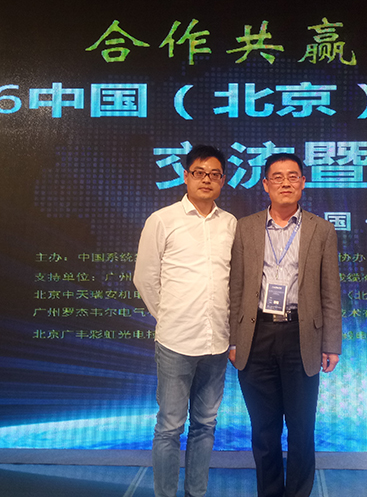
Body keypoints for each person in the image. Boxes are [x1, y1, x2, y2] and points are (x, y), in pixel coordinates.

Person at [228, 153, 342, 497]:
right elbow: (235, 288)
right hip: (256, 334)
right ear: (265, 184)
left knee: (301, 428)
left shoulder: (321, 229)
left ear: (303, 182)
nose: (286, 183)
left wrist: (331, 343)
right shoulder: (245, 227)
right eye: (277, 177)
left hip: (301, 335)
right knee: (264, 429)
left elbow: (330, 290)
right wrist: (233, 339)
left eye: (293, 176)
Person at [133, 145, 237, 497]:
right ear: (185, 176)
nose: (207, 179)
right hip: (176, 341)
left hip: (216, 342)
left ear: (223, 180)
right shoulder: (162, 220)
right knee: (169, 427)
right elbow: (145, 278)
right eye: (199, 172)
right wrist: (170, 316)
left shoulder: (230, 224)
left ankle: (196, 493)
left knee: (205, 425)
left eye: (214, 174)